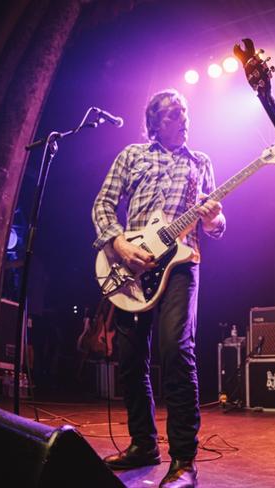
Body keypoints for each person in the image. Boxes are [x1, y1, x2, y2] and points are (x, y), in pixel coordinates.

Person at [92, 88, 225, 488]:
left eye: (184, 112)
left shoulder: (200, 163)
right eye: (172, 114)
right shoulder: (132, 155)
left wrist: (215, 218)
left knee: (175, 350)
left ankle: (184, 460)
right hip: (132, 266)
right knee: (131, 360)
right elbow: (102, 205)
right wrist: (118, 244)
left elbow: (215, 226)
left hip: (183, 266)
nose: (182, 119)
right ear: (154, 123)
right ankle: (143, 445)